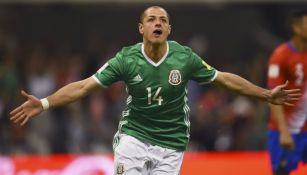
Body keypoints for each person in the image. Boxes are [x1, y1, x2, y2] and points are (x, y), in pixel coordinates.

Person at [10, 6, 301, 175]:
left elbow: (223, 79)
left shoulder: (184, 57)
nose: (157, 23)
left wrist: (265, 94)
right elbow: (85, 86)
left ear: (169, 29)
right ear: (141, 28)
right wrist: (45, 103)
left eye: (162, 20)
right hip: (134, 137)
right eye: (151, 19)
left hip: (171, 142)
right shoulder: (126, 59)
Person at [267, 10, 307, 175]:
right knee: (282, 171)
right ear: (297, 28)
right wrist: (284, 132)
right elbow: (273, 96)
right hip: (286, 130)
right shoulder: (280, 56)